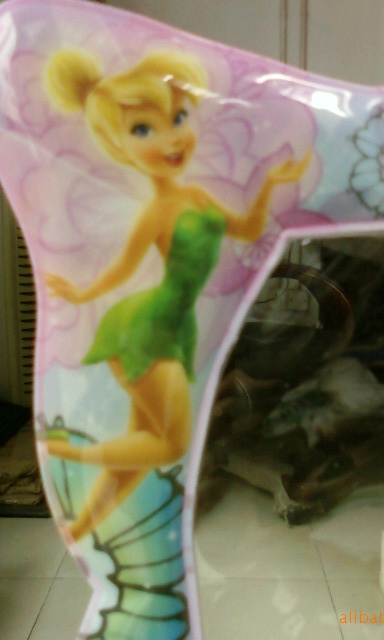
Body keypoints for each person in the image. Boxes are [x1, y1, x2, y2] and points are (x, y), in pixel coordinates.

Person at [43, 48, 311, 541]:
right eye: (144, 129)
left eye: (178, 118)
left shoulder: (196, 197)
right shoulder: (156, 211)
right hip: (147, 326)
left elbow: (246, 228)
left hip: (174, 325)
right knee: (170, 444)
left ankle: (83, 525)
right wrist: (79, 293)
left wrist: (272, 183)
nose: (170, 137)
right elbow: (123, 268)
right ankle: (73, 450)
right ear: (119, 144)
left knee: (143, 443)